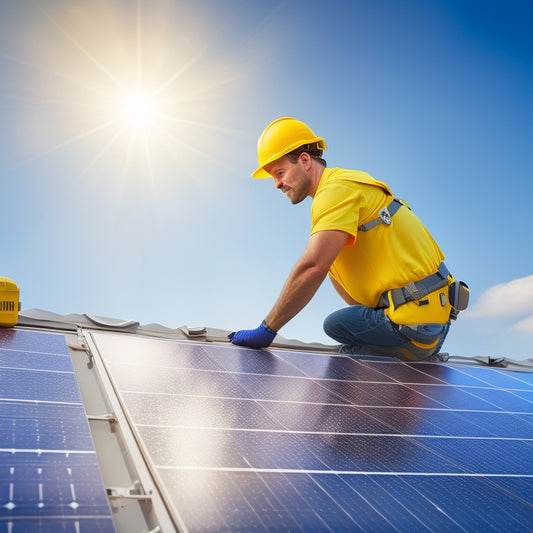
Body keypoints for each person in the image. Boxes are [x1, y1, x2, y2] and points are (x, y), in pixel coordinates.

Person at [229, 117, 468, 360]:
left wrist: (267, 329)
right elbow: (353, 297)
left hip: (411, 328)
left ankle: (389, 361)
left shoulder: (334, 192)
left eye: (280, 173)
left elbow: (312, 268)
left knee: (335, 325)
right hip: (434, 326)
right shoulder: (347, 186)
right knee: (342, 321)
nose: (277, 184)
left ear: (304, 160)